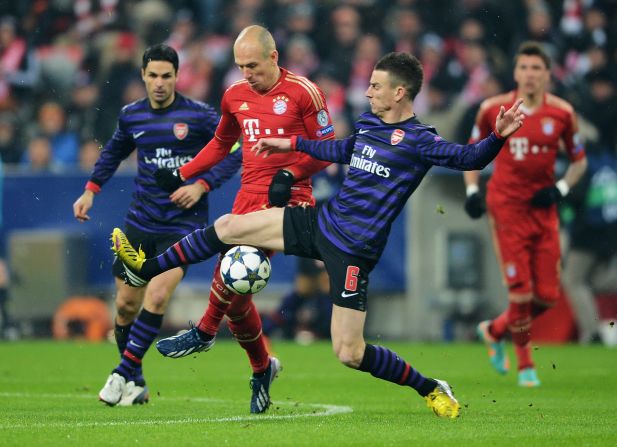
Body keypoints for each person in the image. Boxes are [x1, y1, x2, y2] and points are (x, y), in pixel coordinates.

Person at [111, 51, 525, 418]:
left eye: (376, 86)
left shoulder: (421, 141)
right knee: (228, 227)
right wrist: (288, 145)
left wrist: (497, 137)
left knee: (349, 352)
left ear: (400, 92)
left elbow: (469, 156)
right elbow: (339, 150)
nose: (368, 92)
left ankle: (431, 387)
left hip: (354, 251)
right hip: (322, 223)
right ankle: (145, 269)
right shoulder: (368, 126)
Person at [152, 25, 334, 414]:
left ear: (274, 57)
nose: (245, 73)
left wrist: (290, 175)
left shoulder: (304, 91)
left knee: (234, 271)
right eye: (239, 66)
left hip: (290, 201)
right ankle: (262, 368)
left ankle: (203, 330)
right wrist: (184, 174)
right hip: (246, 197)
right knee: (237, 300)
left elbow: (326, 149)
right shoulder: (234, 95)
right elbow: (221, 143)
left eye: (252, 65)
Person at [72, 44, 242, 406]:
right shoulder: (132, 116)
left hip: (182, 225)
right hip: (140, 221)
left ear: (177, 77)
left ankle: (120, 375)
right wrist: (90, 190)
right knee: (125, 307)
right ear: (143, 77)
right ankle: (134, 379)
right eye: (153, 76)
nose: (160, 83)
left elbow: (235, 151)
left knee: (158, 293)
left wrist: (201, 185)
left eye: (167, 76)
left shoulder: (199, 115)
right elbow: (114, 152)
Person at [463, 41, 587, 387]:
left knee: (546, 296)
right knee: (520, 292)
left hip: (543, 211)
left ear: (548, 74)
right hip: (506, 209)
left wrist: (561, 190)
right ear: (515, 72)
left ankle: (494, 330)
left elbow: (580, 162)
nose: (530, 75)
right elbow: (472, 154)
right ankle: (526, 367)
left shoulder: (562, 113)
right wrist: (472, 190)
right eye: (524, 68)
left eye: (537, 69)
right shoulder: (492, 109)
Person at [562, 145, 617, 345]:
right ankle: (594, 332)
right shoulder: (610, 161)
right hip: (609, 233)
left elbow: (575, 197)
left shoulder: (582, 164)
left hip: (588, 235)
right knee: (594, 282)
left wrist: (558, 191)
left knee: (573, 280)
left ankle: (593, 333)